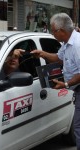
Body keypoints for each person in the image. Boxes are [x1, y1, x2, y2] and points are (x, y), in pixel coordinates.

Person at [31, 13, 80, 150]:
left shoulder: (77, 45)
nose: (53, 34)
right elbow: (59, 59)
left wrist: (65, 84)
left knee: (78, 129)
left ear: (61, 30)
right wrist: (42, 54)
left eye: (53, 31)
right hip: (77, 89)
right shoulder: (66, 44)